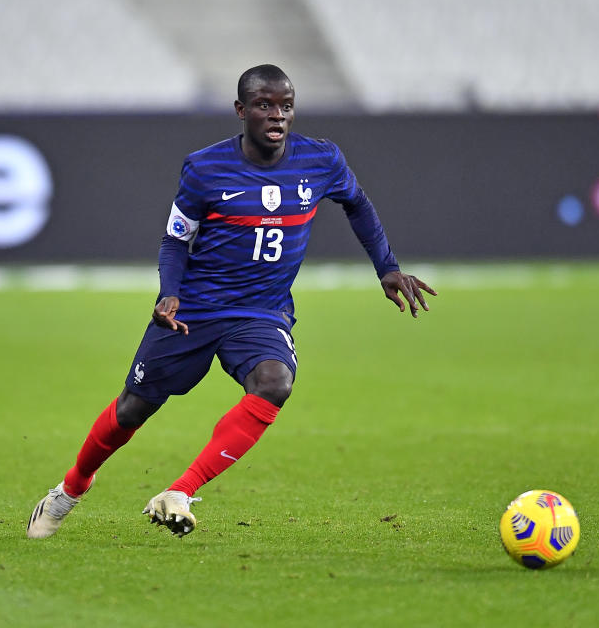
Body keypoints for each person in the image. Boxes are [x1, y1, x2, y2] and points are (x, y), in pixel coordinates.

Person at [27, 64, 436, 539]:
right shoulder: (205, 168)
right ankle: (70, 490)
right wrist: (170, 295)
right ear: (241, 110)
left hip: (262, 312)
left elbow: (358, 203)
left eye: (286, 106)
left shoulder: (321, 160)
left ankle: (179, 491)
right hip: (196, 309)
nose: (277, 115)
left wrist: (386, 267)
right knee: (132, 410)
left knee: (275, 382)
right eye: (264, 105)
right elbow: (175, 240)